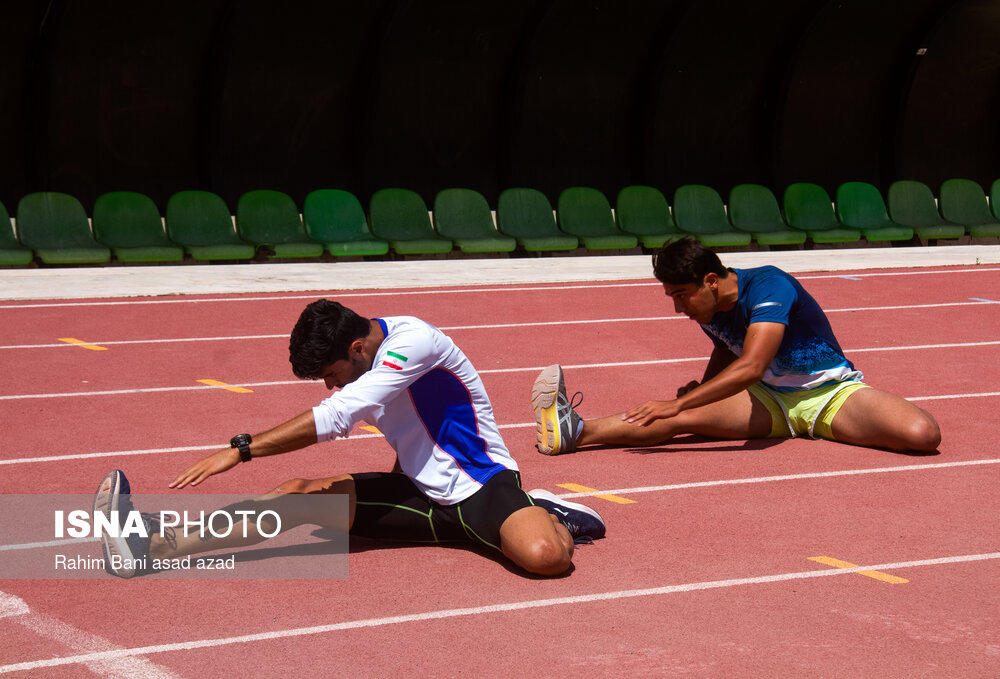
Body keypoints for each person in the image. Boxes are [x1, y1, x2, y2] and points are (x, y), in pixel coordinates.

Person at [94, 300, 604, 579]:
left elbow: (340, 413)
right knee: (297, 495)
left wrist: (241, 448)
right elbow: (359, 409)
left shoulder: (415, 341)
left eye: (331, 371)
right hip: (421, 496)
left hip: (484, 486)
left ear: (357, 347)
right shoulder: (360, 362)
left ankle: (546, 512)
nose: (330, 383)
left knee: (545, 558)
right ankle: (152, 544)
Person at [531, 238, 941, 456]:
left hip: (829, 394)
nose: (678, 308)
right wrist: (698, 396)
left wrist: (679, 403)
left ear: (711, 280)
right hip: (768, 400)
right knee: (677, 422)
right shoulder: (708, 307)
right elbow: (727, 349)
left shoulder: (769, 285)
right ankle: (577, 432)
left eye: (681, 295)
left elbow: (751, 364)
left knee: (922, 435)